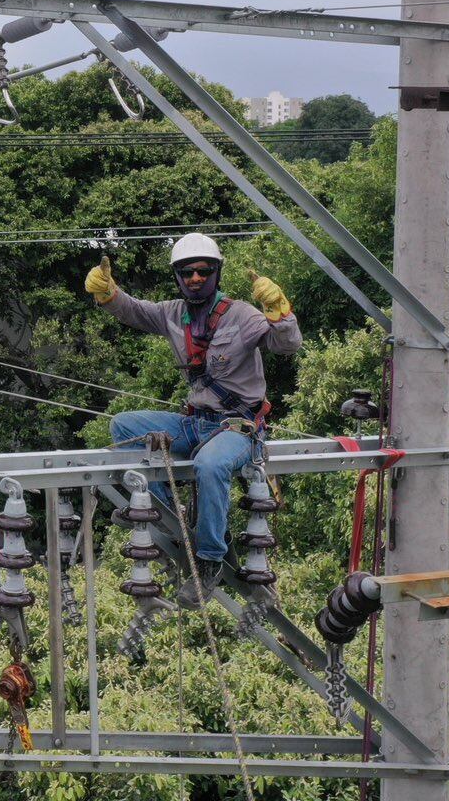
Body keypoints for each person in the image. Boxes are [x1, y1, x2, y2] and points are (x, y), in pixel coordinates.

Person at [85, 232, 301, 605]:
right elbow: (134, 310)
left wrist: (280, 315)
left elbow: (287, 346)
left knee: (210, 464)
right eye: (187, 272)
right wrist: (109, 294)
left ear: (216, 273)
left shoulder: (242, 316)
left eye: (203, 271)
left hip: (237, 426)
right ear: (178, 277)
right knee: (123, 425)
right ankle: (171, 514)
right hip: (194, 422)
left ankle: (210, 560)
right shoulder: (172, 314)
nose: (195, 278)